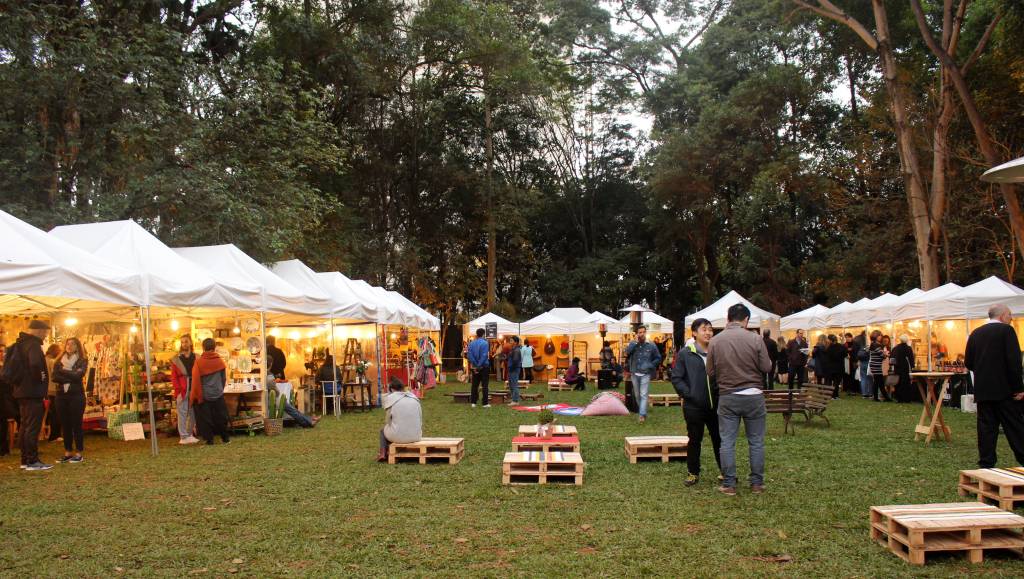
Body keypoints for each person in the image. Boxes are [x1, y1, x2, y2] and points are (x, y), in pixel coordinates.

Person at [706, 304, 771, 496]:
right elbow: (766, 367)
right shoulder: (756, 339)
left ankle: (729, 484)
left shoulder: (716, 341)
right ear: (746, 320)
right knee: (756, 441)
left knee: (727, 441)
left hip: (728, 396)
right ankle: (757, 483)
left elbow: (710, 371)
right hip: (754, 395)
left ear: (728, 318)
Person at [965, 304, 1024, 468]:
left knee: (986, 429)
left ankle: (986, 463)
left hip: (983, 390)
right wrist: (1019, 388)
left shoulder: (976, 333)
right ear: (1003, 315)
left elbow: (968, 362)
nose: (1011, 318)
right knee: (1015, 427)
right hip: (1005, 390)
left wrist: (983, 372)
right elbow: (1014, 362)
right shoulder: (1007, 331)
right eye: (1010, 315)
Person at [671, 318, 721, 487]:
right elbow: (677, 378)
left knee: (719, 439)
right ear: (694, 332)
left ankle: (725, 471)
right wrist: (689, 394)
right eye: (704, 329)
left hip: (716, 405)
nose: (708, 333)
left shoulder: (717, 351)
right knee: (694, 440)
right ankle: (693, 473)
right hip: (694, 407)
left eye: (710, 329)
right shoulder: (686, 353)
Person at [5, 320, 53, 470]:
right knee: (32, 427)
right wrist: (42, 378)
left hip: (21, 391)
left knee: (25, 426)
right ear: (39, 330)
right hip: (33, 392)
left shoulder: (21, 343)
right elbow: (35, 364)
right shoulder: (33, 345)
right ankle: (32, 460)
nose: (45, 336)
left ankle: (25, 460)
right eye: (45, 332)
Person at [52, 337, 87, 463]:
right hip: (61, 395)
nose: (69, 346)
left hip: (76, 395)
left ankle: (79, 452)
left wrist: (62, 372)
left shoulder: (82, 360)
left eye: (73, 344)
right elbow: (54, 377)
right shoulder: (58, 360)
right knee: (65, 424)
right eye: (68, 344)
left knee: (76, 424)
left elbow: (79, 375)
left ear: (78, 346)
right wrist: (70, 376)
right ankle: (67, 452)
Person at [190, 338, 230, 445]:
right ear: (214, 347)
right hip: (218, 393)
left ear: (203, 348)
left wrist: (197, 395)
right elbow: (223, 378)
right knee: (221, 417)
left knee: (205, 419)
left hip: (204, 394)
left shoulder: (199, 362)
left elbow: (195, 380)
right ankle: (225, 438)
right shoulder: (220, 361)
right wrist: (220, 389)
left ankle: (209, 440)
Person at [377, 377, 422, 462]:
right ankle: (388, 451)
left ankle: (383, 453)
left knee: (383, 431)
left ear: (392, 389)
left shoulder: (391, 399)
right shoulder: (414, 398)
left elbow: (388, 421)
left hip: (398, 436)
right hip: (416, 436)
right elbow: (420, 418)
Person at [626, 325, 662, 424]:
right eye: (639, 332)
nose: (641, 334)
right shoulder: (633, 343)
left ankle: (641, 415)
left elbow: (658, 358)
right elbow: (627, 352)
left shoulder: (651, 345)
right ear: (637, 334)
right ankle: (643, 412)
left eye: (643, 332)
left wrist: (650, 365)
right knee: (637, 395)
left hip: (646, 373)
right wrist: (635, 342)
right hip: (634, 372)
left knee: (643, 394)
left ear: (645, 333)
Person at [170, 334, 199, 445]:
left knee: (193, 413)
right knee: (182, 413)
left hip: (194, 387)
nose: (184, 344)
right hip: (182, 389)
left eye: (186, 341)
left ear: (190, 342)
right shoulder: (176, 359)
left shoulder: (197, 357)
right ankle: (183, 436)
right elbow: (173, 376)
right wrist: (177, 390)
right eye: (182, 342)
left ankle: (189, 434)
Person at [0, 343, 19, 458]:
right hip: (4, 399)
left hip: (8, 400)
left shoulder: (9, 367)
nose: (2, 354)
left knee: (3, 424)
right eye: (0, 351)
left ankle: (4, 449)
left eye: (4, 351)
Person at [466, 328, 491, 408]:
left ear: (477, 334)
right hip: (484, 366)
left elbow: (469, 355)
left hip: (474, 366)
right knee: (485, 385)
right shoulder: (485, 343)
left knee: (474, 385)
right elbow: (484, 355)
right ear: (483, 334)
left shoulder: (471, 343)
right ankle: (485, 403)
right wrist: (479, 365)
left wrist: (475, 365)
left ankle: (473, 402)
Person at [890, 335, 916, 403]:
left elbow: (892, 358)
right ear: (907, 340)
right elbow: (911, 358)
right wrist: (912, 366)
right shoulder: (908, 348)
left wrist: (892, 366)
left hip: (897, 367)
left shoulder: (896, 348)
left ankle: (899, 398)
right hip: (905, 367)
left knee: (898, 382)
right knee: (905, 382)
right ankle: (906, 398)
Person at [44, 343, 62, 442]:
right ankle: (55, 435)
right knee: (56, 413)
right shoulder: (52, 362)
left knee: (51, 413)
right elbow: (56, 376)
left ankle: (52, 435)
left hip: (45, 390)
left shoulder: (43, 360)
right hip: (53, 390)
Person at [868, 330, 890, 402]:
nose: (881, 337)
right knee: (879, 382)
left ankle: (878, 397)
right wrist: (886, 354)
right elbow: (882, 355)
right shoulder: (875, 344)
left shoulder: (875, 344)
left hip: (876, 364)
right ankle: (884, 398)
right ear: (876, 336)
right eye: (880, 335)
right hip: (876, 365)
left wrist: (884, 354)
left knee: (878, 382)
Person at [825, 334, 847, 399]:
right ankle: (835, 395)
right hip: (839, 367)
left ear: (830, 340)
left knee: (830, 382)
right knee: (836, 382)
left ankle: (830, 395)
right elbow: (845, 355)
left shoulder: (828, 348)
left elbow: (827, 357)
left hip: (830, 367)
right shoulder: (841, 347)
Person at [507, 336, 523, 403]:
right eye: (510, 340)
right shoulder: (513, 349)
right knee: (511, 385)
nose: (510, 342)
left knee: (514, 385)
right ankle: (513, 398)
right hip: (511, 368)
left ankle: (515, 400)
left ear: (515, 342)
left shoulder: (516, 350)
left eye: (511, 341)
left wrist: (511, 368)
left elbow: (515, 361)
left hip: (514, 369)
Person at [857, 330, 872, 398]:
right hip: (868, 362)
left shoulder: (861, 343)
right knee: (869, 378)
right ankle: (870, 392)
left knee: (863, 378)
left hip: (862, 363)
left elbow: (858, 355)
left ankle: (864, 393)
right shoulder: (869, 344)